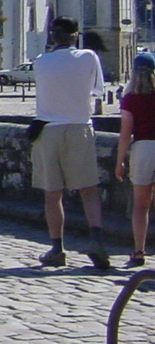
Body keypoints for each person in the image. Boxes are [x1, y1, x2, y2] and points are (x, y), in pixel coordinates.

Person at [32, 17, 111, 269]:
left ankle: (57, 248)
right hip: (79, 126)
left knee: (52, 194)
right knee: (89, 190)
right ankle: (96, 239)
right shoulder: (88, 57)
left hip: (48, 128)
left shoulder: (41, 61)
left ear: (53, 37)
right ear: (75, 35)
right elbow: (97, 90)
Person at [115, 52, 155, 267]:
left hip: (143, 149)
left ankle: (138, 252)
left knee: (141, 205)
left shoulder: (130, 98)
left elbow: (125, 133)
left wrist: (119, 161)